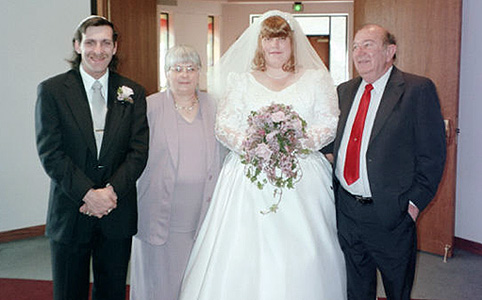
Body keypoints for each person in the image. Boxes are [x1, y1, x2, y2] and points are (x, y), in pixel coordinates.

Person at [179, 10, 346, 300]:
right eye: (269, 38)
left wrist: (296, 141)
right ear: (260, 43)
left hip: (302, 175)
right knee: (243, 250)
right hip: (249, 176)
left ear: (292, 43)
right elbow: (224, 125)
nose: (276, 45)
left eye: (282, 38)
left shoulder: (316, 79)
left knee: (303, 249)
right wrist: (255, 146)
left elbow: (329, 123)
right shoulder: (240, 81)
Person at [35, 16, 149, 300]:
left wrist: (109, 194)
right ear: (77, 45)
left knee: (111, 292)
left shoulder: (133, 92)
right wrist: (88, 194)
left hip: (116, 210)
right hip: (71, 208)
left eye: (105, 42)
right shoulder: (52, 91)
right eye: (90, 42)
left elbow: (138, 151)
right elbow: (51, 152)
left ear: (114, 47)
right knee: (68, 292)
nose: (98, 50)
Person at [331, 24, 446, 299]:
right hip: (347, 210)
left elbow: (432, 155)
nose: (360, 52)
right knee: (357, 290)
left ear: (389, 51)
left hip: (391, 214)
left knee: (397, 290)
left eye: (368, 44)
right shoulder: (344, 91)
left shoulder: (417, 89)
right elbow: (333, 141)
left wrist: (414, 204)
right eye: (356, 46)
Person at [129, 45, 225, 300]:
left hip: (201, 211)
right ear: (166, 73)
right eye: (177, 68)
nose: (184, 75)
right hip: (160, 211)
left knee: (195, 280)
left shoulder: (214, 105)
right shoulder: (150, 106)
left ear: (199, 73)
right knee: (157, 281)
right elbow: (131, 152)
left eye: (191, 69)